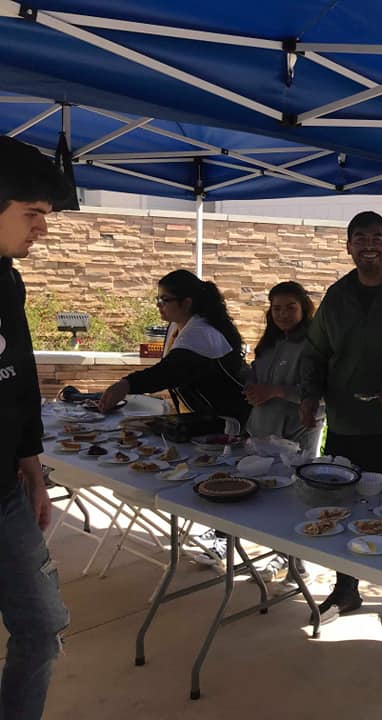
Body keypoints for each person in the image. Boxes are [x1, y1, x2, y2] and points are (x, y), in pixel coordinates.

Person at [299, 210, 382, 627]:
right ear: (348, 246)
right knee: (342, 503)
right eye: (359, 238)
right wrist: (310, 394)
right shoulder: (337, 295)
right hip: (346, 421)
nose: (368, 244)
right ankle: (346, 588)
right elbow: (316, 351)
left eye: (376, 237)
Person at [98, 269, 251, 565]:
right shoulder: (180, 326)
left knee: (221, 475)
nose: (159, 305)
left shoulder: (202, 332)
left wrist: (125, 385)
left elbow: (170, 371)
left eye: (164, 300)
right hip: (205, 416)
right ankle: (218, 532)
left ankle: (225, 541)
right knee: (207, 472)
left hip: (228, 418)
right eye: (158, 299)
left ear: (187, 302)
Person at [0, 135, 71, 720]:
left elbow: (18, 381)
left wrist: (33, 471)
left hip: (5, 496)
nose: (42, 229)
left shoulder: (8, 280)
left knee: (44, 627)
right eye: (33, 215)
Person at [245, 281, 318, 583]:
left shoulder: (314, 346)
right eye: (277, 308)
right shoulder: (269, 345)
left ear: (304, 308)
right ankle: (283, 556)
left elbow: (320, 395)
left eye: (291, 307)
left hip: (295, 437)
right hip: (262, 434)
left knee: (293, 501)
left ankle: (294, 560)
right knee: (268, 502)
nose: (284, 314)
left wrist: (276, 391)